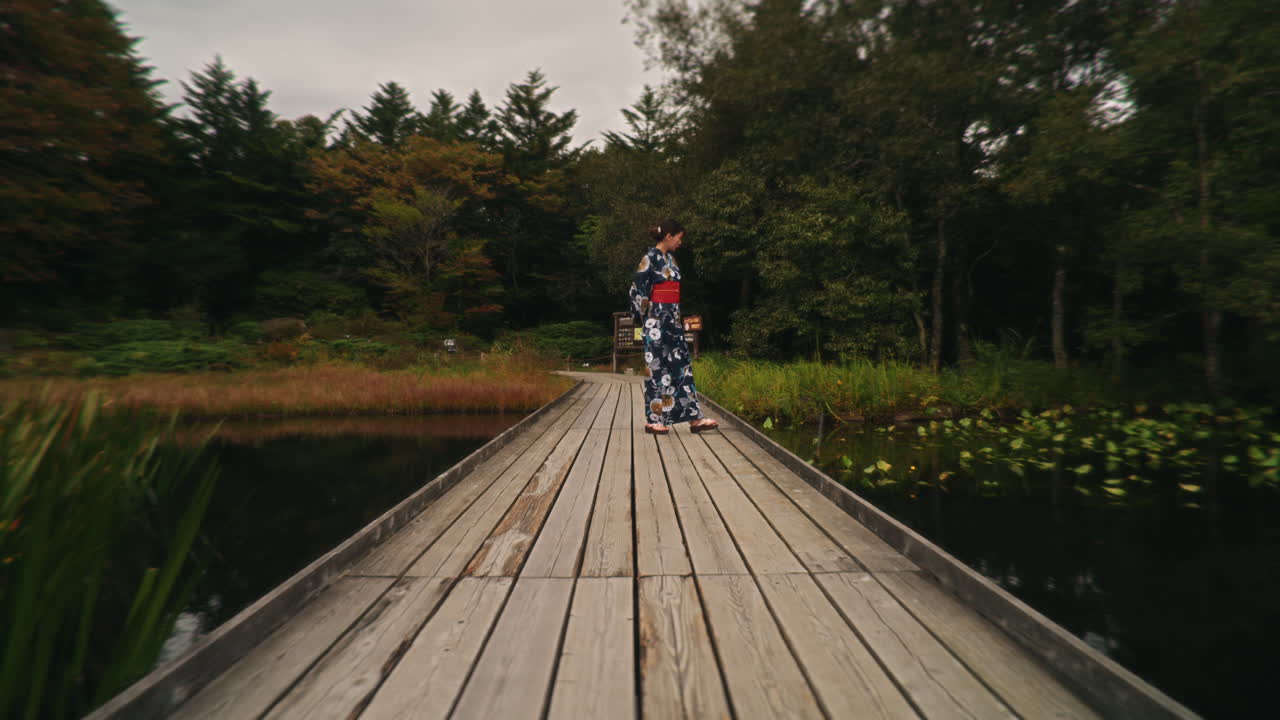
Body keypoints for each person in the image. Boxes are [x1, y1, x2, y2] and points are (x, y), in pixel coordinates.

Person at [629, 219, 719, 435]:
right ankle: (654, 419)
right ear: (669, 236)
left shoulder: (672, 260)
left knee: (681, 367)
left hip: (674, 320)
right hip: (656, 322)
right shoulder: (649, 259)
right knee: (657, 369)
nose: (680, 242)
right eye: (679, 237)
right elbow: (637, 291)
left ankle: (694, 418)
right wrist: (644, 319)